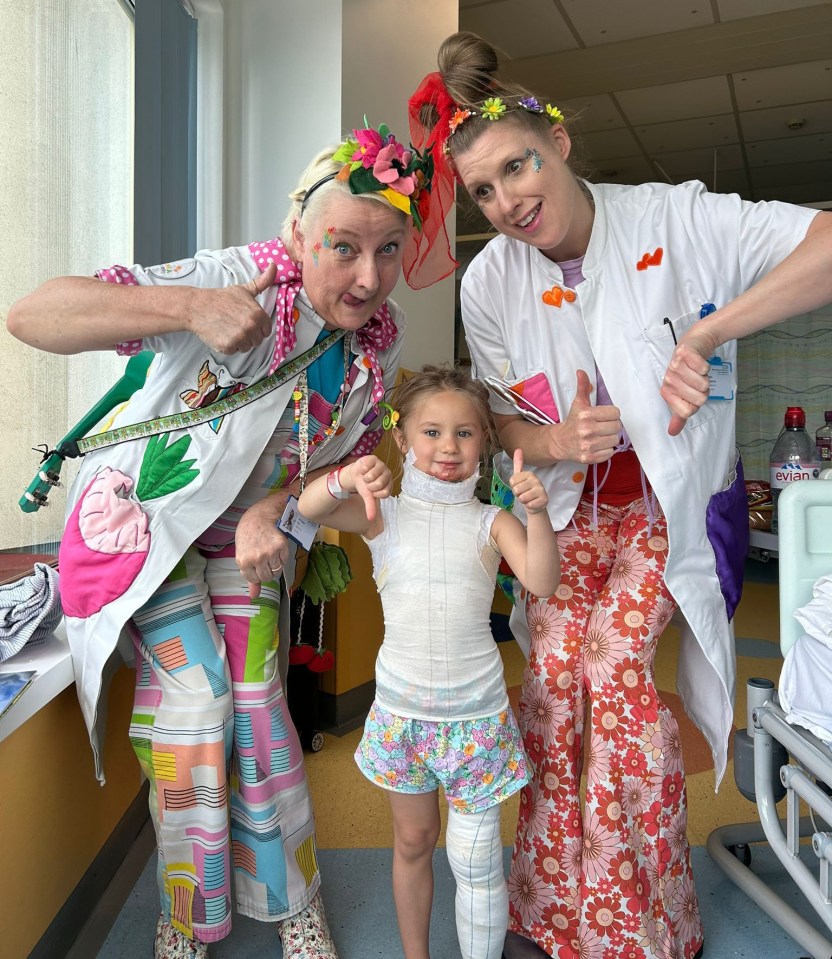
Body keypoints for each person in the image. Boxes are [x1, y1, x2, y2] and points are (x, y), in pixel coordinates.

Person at [407, 31, 832, 959]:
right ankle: (551, 909)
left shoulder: (677, 219)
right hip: (566, 515)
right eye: (483, 190)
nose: (509, 201)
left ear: (557, 143)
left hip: (668, 516)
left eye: (517, 166)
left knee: (610, 667)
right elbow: (499, 425)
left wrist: (711, 329)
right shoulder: (490, 281)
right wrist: (554, 440)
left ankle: (640, 924)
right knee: (553, 680)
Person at [7, 119, 454, 959]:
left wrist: (275, 503)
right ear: (297, 231)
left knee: (261, 709)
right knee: (197, 700)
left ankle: (295, 898)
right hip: (148, 531)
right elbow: (33, 315)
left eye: (389, 250)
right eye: (344, 247)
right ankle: (190, 910)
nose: (369, 277)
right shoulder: (228, 278)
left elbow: (342, 469)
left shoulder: (365, 356)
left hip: (247, 538)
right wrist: (186, 305)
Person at [296, 365, 560, 959]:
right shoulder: (382, 514)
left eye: (466, 434)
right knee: (413, 842)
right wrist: (342, 477)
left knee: (476, 859)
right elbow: (311, 509)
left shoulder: (491, 521)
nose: (448, 448)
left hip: (477, 720)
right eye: (432, 432)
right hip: (403, 717)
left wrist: (536, 513)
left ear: (486, 443)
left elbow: (542, 579)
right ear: (402, 437)